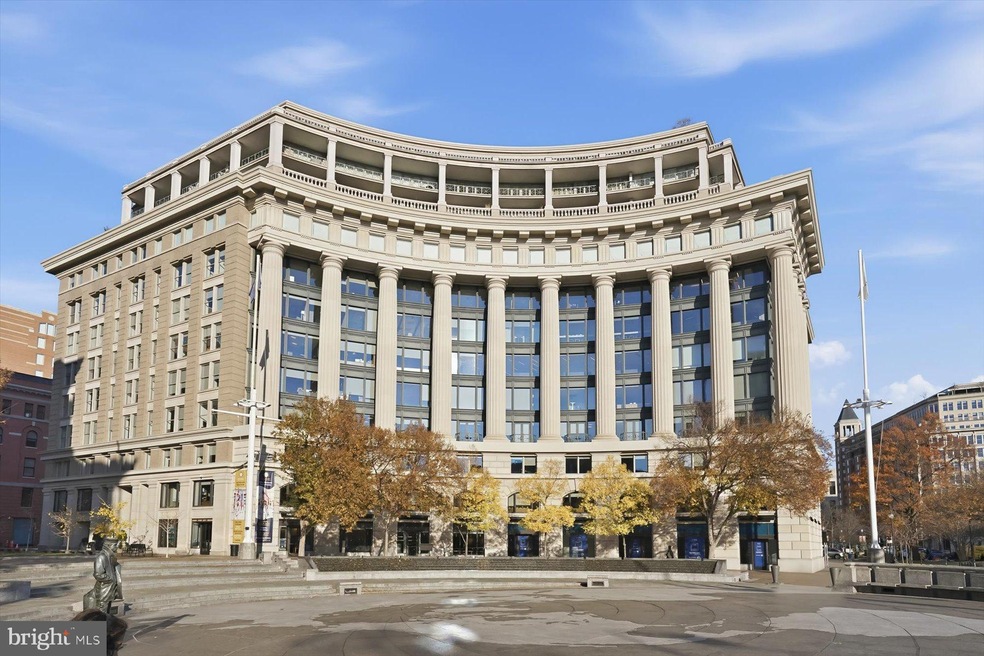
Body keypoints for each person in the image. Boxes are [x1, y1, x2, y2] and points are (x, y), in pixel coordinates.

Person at [83, 537, 123, 614]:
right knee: (102, 612)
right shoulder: (102, 557)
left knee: (107, 612)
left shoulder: (110, 556)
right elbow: (98, 574)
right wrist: (111, 579)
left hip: (110, 589)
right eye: (115, 545)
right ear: (109, 545)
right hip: (104, 590)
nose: (117, 547)